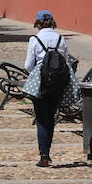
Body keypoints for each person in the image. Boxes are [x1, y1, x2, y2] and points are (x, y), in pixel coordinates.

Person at [24, 9, 71, 168]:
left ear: (37, 23)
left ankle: (44, 155)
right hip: (57, 84)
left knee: (42, 120)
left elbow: (28, 65)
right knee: (51, 118)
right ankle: (47, 152)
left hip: (41, 85)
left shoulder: (35, 39)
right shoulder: (61, 38)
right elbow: (65, 61)